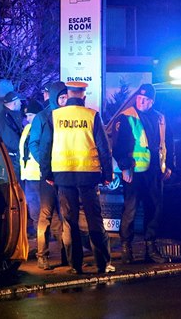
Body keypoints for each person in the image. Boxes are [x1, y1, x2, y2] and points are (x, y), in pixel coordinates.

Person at [40, 81, 115, 274]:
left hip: (63, 176)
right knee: (94, 219)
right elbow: (104, 148)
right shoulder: (91, 115)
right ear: (83, 95)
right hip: (88, 175)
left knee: (70, 221)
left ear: (68, 95)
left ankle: (75, 266)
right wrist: (107, 174)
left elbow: (45, 147)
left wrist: (47, 173)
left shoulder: (54, 116)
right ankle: (102, 264)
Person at [112, 83, 172, 264]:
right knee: (130, 209)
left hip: (154, 170)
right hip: (134, 171)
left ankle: (150, 247)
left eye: (145, 99)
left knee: (154, 208)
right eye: (139, 98)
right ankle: (126, 247)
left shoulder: (160, 118)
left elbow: (167, 143)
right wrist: (124, 167)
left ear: (152, 102)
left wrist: (169, 167)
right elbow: (118, 146)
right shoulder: (127, 117)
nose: (141, 101)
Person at [30, 81, 68, 270]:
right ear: (54, 97)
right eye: (61, 97)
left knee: (65, 215)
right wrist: (46, 165)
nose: (64, 100)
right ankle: (42, 256)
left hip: (65, 172)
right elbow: (34, 144)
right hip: (48, 175)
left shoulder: (68, 115)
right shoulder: (42, 117)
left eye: (66, 96)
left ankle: (66, 255)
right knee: (46, 215)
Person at [19, 99, 44, 240]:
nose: (27, 118)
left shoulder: (42, 127)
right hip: (28, 175)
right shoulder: (28, 128)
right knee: (34, 210)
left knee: (43, 210)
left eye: (30, 116)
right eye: (27, 116)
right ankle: (39, 238)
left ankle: (47, 240)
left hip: (38, 175)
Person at [0, 90, 24, 178]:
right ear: (14, 103)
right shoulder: (5, 119)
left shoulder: (7, 116)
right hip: (11, 161)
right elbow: (12, 142)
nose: (21, 103)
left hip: (8, 160)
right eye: (19, 101)